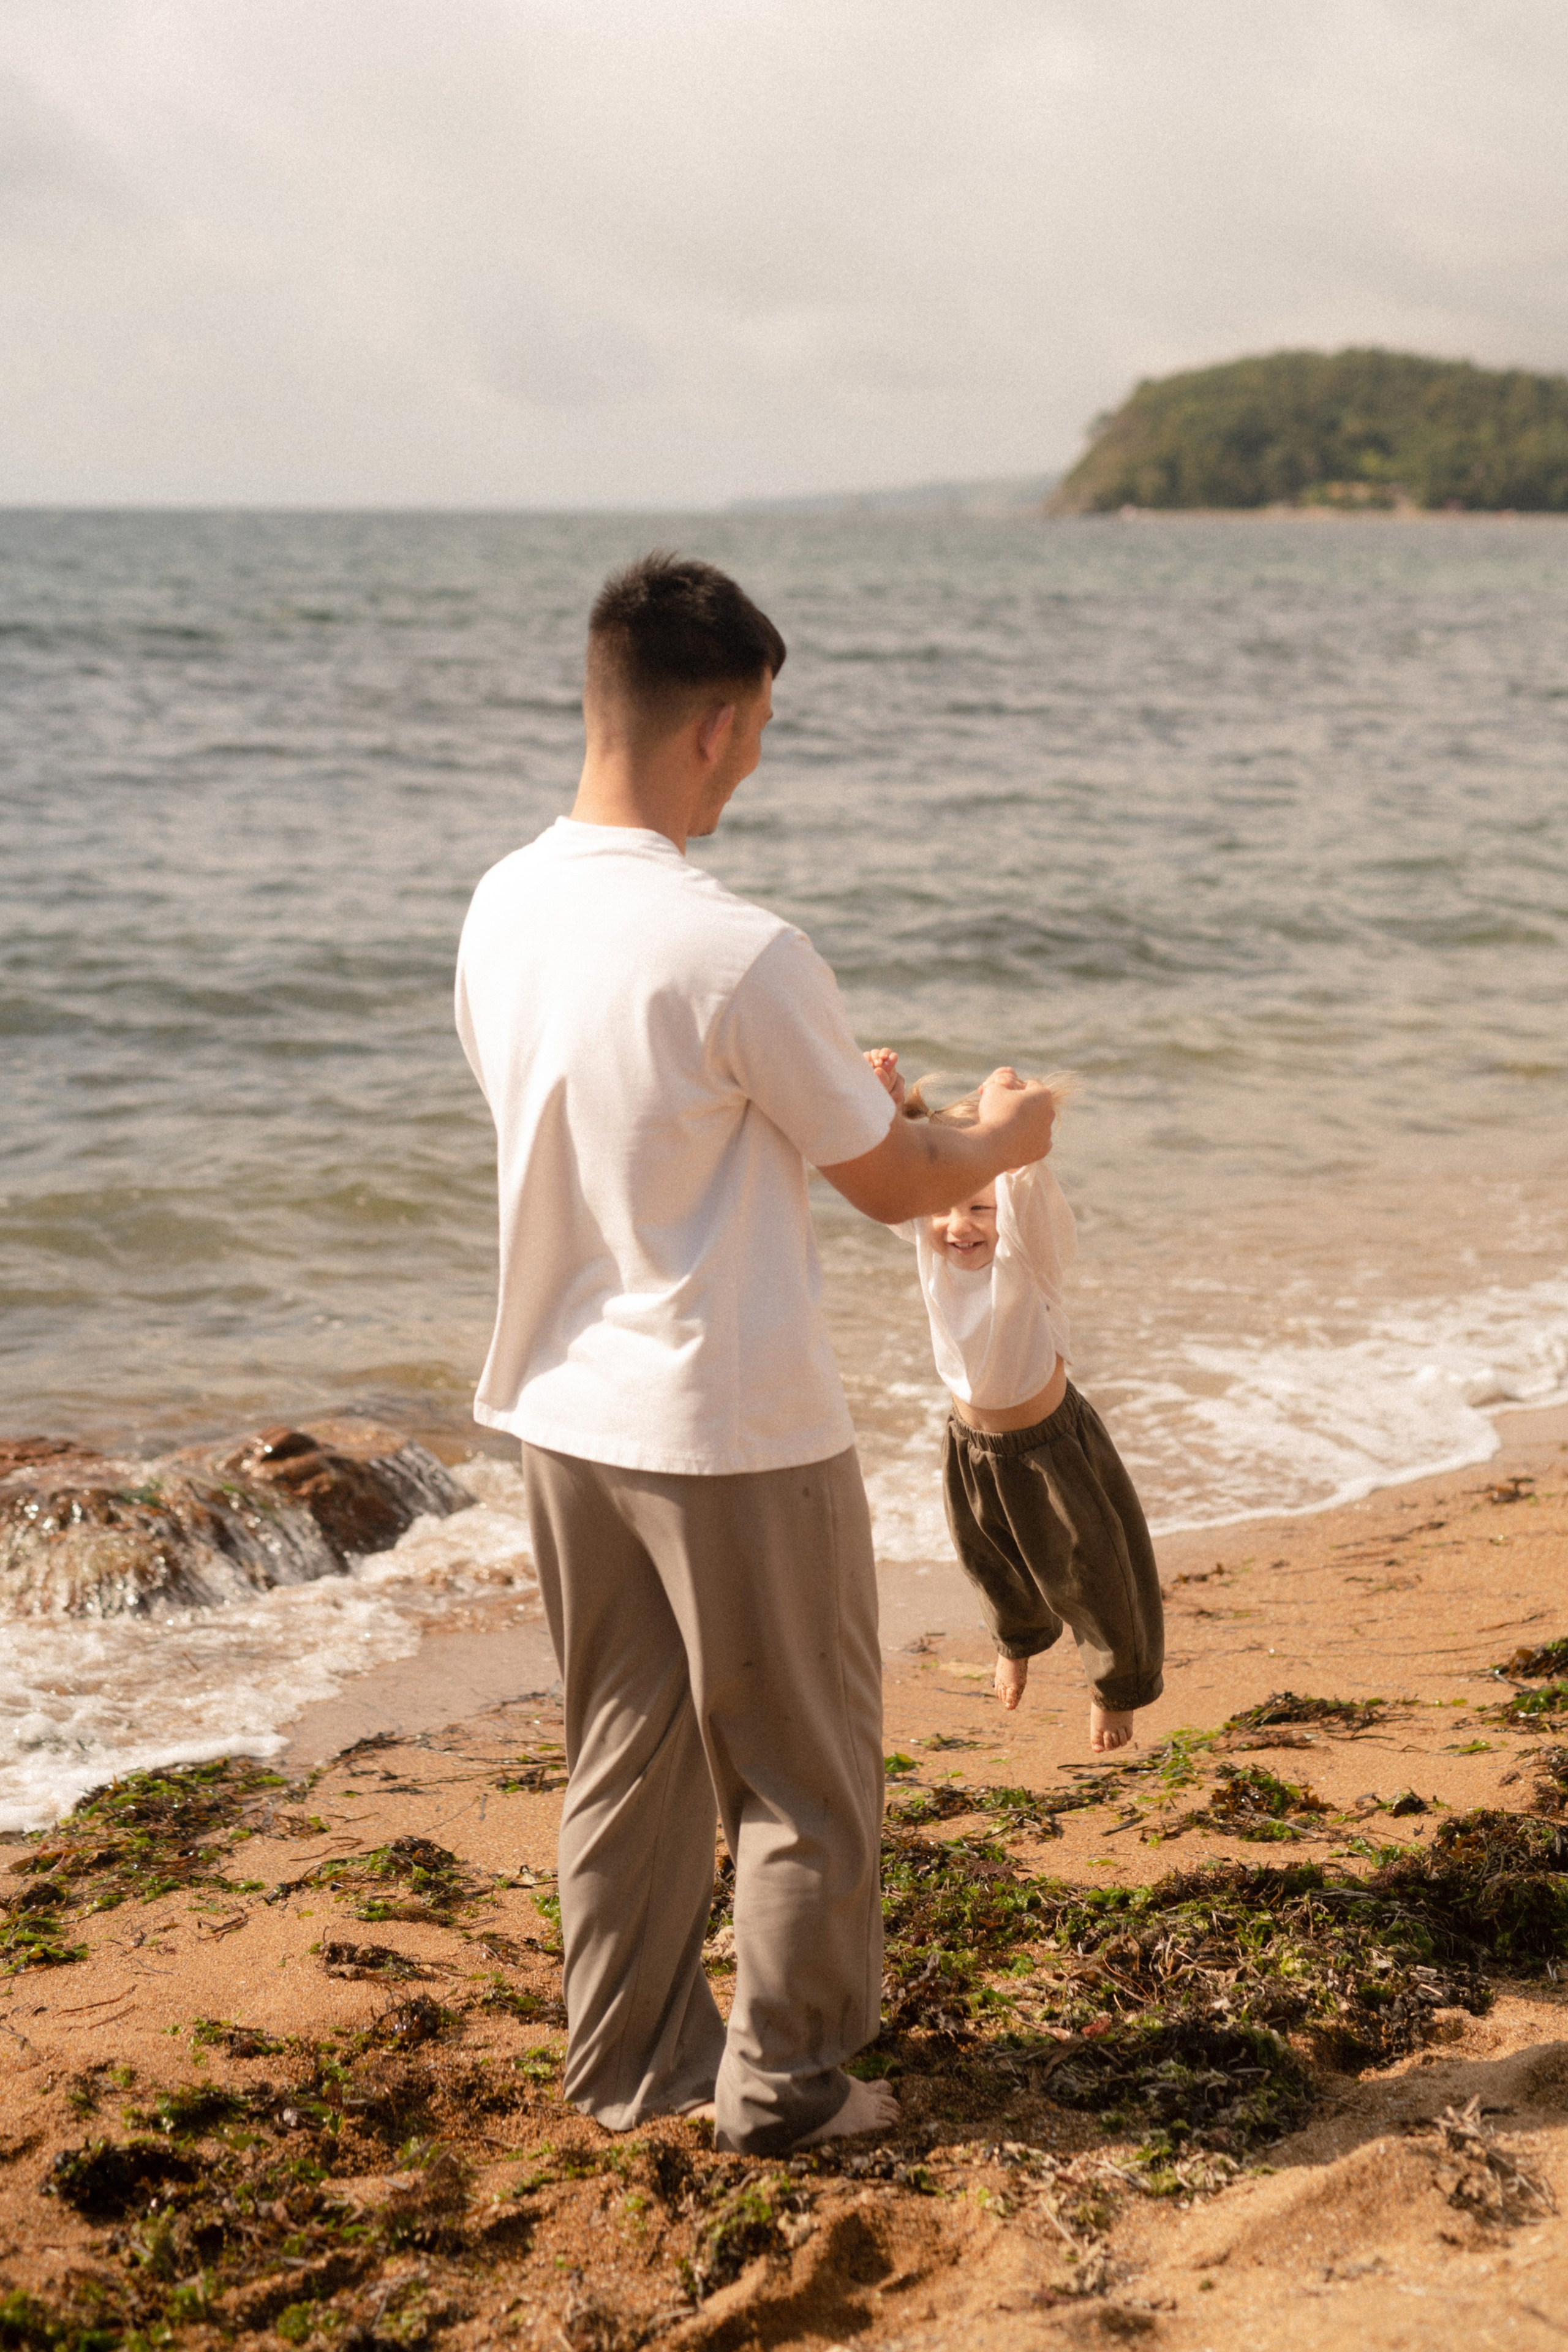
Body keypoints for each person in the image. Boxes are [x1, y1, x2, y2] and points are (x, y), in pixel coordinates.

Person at [454, 552, 1057, 2158]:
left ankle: (629, 2067)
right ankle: (789, 2090)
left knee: (626, 1756)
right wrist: (1001, 1137)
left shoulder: (507, 904)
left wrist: (835, 1104)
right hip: (731, 1424)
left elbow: (633, 1119)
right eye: (766, 725)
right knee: (800, 1777)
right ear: (716, 729)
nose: (763, 756)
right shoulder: (738, 947)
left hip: (566, 1408)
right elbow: (896, 1187)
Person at [865, 1054, 1164, 1754]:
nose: (957, 1225)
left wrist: (1010, 1121)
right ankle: (1018, 1641)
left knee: (1094, 1574)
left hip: (1050, 1447)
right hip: (969, 1443)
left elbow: (1021, 1180)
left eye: (977, 1208)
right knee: (987, 1556)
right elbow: (898, 1173)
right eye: (945, 1209)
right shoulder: (928, 1239)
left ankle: (1115, 1690)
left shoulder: (1027, 1254)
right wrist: (887, 1106)